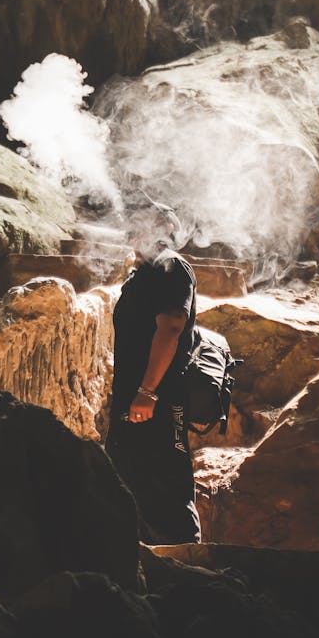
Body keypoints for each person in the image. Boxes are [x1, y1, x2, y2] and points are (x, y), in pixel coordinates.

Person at [105, 201, 201, 545]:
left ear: (163, 230)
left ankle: (185, 567)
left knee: (166, 483)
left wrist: (147, 392)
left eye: (139, 225)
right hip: (135, 399)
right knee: (128, 477)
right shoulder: (143, 272)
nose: (131, 232)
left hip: (159, 401)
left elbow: (172, 326)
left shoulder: (171, 267)